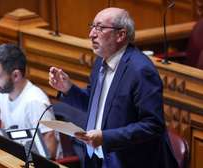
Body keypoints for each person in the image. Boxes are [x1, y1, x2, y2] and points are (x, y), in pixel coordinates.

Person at [49, 7, 177, 168]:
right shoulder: (101, 62)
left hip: (130, 161)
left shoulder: (140, 70)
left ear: (121, 35)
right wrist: (68, 88)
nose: (92, 34)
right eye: (92, 27)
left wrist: (106, 137)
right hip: (99, 158)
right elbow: (96, 105)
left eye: (100, 28)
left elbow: (153, 125)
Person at [0, 44, 61, 159]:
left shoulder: (35, 103)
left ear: (16, 75)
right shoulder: (3, 94)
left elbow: (49, 151)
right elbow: (5, 134)